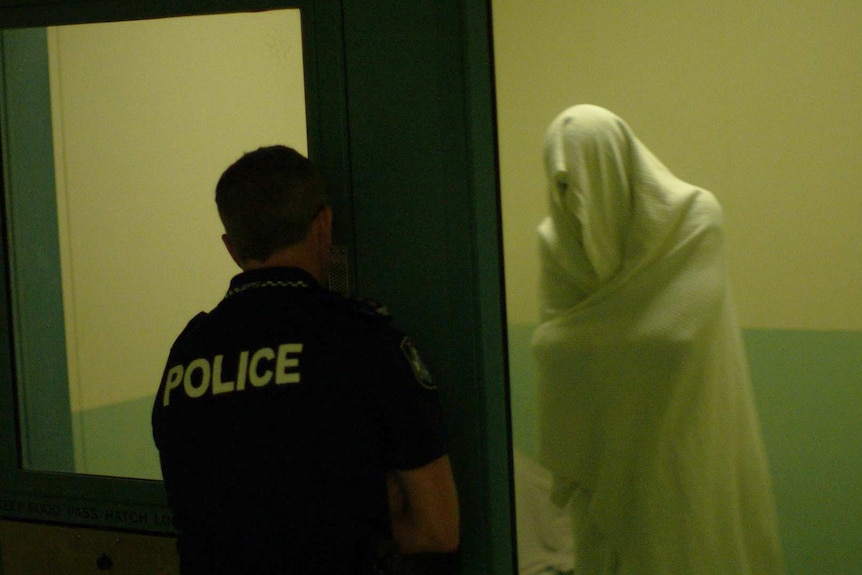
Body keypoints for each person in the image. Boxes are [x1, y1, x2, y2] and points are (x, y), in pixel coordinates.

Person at [151, 145, 459, 574]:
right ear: (324, 225)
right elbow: (437, 531)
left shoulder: (187, 355)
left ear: (231, 247)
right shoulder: (363, 341)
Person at [533, 105, 785, 574]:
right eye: (560, 184)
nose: (572, 200)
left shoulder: (693, 222)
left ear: (614, 162)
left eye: (580, 179)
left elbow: (674, 335)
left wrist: (578, 345)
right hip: (602, 465)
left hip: (684, 445)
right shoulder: (558, 241)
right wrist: (580, 345)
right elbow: (558, 348)